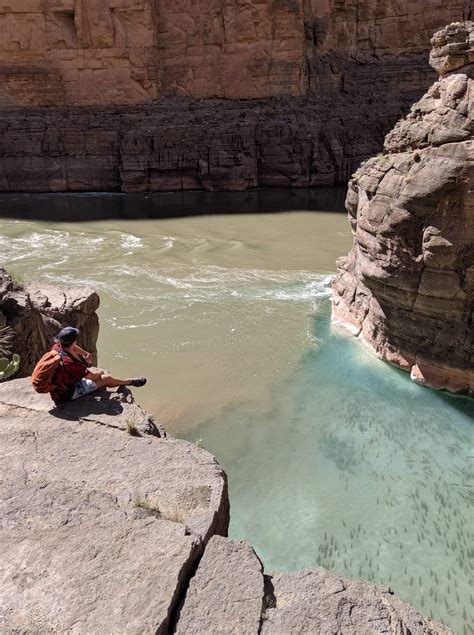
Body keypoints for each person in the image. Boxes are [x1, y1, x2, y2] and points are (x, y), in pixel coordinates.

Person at [50, 326, 146, 406]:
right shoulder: (70, 363)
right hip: (66, 395)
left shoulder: (57, 347)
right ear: (73, 342)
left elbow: (72, 347)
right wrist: (100, 372)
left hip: (57, 390)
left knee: (98, 377)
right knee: (106, 378)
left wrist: (85, 354)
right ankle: (128, 382)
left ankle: (121, 382)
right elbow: (92, 376)